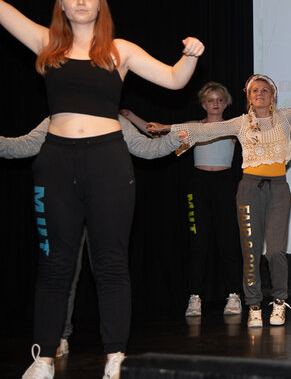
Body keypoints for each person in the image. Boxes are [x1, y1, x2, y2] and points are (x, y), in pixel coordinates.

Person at [0, 0, 204, 379]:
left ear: (99, 4)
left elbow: (173, 79)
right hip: (55, 163)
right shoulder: (47, 43)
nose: (80, 2)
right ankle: (43, 358)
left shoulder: (117, 50)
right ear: (62, 4)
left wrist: (192, 55)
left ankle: (115, 357)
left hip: (107, 162)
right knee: (54, 263)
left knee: (110, 261)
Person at [1, 115, 187, 358]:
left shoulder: (114, 118)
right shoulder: (58, 116)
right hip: (66, 200)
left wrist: (176, 139)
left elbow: (145, 148)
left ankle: (114, 353)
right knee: (62, 270)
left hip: (105, 199)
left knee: (110, 269)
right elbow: (24, 146)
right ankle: (58, 337)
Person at [166, 74, 291, 329]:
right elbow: (204, 129)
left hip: (278, 189)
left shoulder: (284, 117)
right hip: (249, 188)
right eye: (255, 91)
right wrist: (168, 129)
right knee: (250, 251)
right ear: (248, 97)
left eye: (265, 90)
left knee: (275, 251)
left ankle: (279, 301)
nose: (260, 93)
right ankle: (253, 305)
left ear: (273, 95)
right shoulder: (241, 123)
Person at [127, 82, 243, 318]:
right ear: (203, 104)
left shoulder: (233, 127)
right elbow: (156, 132)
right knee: (198, 243)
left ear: (226, 103)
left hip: (224, 185)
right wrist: (129, 116)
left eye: (220, 100)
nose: (215, 104)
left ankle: (234, 294)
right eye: (210, 100)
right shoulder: (192, 127)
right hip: (199, 185)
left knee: (228, 242)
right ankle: (194, 296)